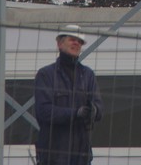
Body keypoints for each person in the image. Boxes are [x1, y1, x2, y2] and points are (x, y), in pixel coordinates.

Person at [34, 24, 102, 165]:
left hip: (81, 155)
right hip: (53, 156)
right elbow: (44, 111)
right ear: (59, 44)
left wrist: (93, 111)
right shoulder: (46, 74)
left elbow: (99, 108)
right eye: (72, 39)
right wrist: (75, 113)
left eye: (80, 41)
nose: (76, 43)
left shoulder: (87, 75)